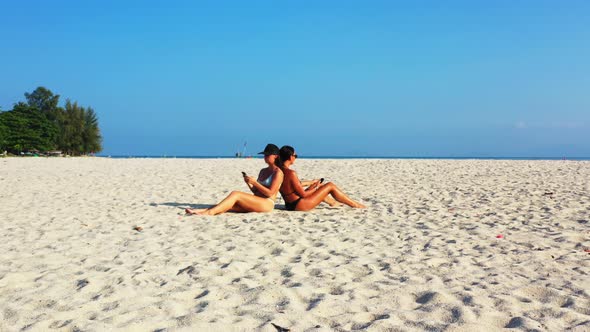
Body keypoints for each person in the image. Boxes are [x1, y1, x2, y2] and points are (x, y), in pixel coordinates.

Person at [185, 144, 284, 215]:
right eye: (264, 155)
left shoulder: (278, 172)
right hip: (258, 200)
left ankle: (209, 212)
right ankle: (202, 211)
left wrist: (255, 182)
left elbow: (270, 193)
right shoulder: (263, 171)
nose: (265, 157)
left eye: (267, 155)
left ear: (275, 156)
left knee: (235, 194)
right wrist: (249, 183)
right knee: (230, 205)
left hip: (267, 203)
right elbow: (255, 191)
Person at [278, 145, 366, 211]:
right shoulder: (291, 173)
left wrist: (312, 183)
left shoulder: (279, 171)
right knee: (330, 185)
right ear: (290, 157)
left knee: (320, 186)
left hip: (289, 204)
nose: (295, 158)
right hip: (299, 205)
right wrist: (316, 187)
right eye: (295, 156)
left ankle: (333, 203)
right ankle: (355, 205)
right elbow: (303, 195)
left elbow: (295, 185)